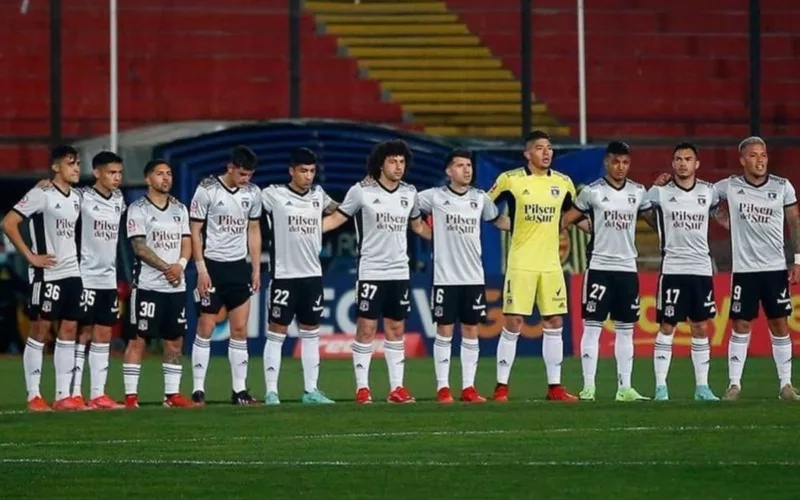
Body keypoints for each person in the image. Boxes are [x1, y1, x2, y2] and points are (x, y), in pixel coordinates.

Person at [322, 139, 432, 404]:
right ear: (381, 164)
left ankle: (397, 388)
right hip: (371, 270)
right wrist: (303, 231)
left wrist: (447, 237)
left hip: (399, 271)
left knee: (396, 328)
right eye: (393, 161)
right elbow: (338, 218)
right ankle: (362, 388)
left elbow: (418, 226)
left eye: (402, 161)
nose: (398, 166)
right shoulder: (361, 191)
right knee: (366, 329)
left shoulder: (410, 193)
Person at [487, 131, 578, 402]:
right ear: (527, 154)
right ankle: (501, 387)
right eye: (539, 148)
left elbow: (571, 214)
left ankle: (555, 387)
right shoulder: (511, 180)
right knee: (514, 321)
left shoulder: (564, 183)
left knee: (554, 321)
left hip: (551, 264)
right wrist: (503, 223)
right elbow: (483, 205)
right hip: (521, 263)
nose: (546, 153)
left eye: (549, 148)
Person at [416, 148, 510, 403]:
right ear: (448, 171)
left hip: (473, 278)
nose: (466, 170)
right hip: (445, 278)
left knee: (471, 330)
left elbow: (498, 221)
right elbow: (406, 207)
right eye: (460, 165)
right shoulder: (433, 197)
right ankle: (443, 388)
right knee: (444, 330)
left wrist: (529, 226)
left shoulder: (480, 199)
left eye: (469, 165)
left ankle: (468, 388)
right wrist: (426, 232)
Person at [562, 141, 651, 402]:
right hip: (599, 267)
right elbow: (568, 218)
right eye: (615, 162)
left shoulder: (638, 192)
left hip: (627, 268)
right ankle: (588, 387)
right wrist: (587, 226)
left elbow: (655, 221)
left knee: (626, 329)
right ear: (606, 162)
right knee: (593, 327)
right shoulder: (592, 192)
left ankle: (625, 388)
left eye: (625, 162)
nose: (620, 167)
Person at [714, 136, 800, 400]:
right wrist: (723, 219)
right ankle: (734, 385)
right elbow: (700, 197)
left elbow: (794, 222)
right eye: (753, 155)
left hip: (774, 269)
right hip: (744, 270)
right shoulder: (729, 185)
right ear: (742, 160)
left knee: (779, 324)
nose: (760, 160)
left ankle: (786, 386)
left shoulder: (782, 186)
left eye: (763, 154)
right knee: (741, 324)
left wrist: (797, 260)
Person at [1, 145, 85, 411]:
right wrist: (30, 257)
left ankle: (62, 395)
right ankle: (33, 395)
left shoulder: (77, 197)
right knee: (41, 329)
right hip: (47, 273)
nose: (76, 169)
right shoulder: (42, 194)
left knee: (69, 330)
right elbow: (8, 223)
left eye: (78, 164)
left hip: (73, 273)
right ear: (56, 167)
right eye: (71, 164)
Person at [644, 143, 721, 401]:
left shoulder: (709, 192)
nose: (683, 163)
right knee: (667, 325)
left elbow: (722, 216)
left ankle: (702, 387)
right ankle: (660, 387)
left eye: (688, 159)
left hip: (701, 269)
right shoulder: (659, 192)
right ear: (672, 163)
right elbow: (641, 209)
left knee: (700, 326)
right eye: (678, 159)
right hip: (673, 269)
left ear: (696, 164)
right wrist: (659, 226)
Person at [260, 148, 337, 405]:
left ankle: (311, 391)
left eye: (312, 171)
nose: (308, 176)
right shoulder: (274, 194)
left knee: (311, 331)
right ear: (291, 171)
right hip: (284, 275)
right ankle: (271, 392)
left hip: (312, 276)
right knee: (277, 331)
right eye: (303, 171)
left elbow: (338, 211)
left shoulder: (318, 195)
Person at [189, 146, 262, 406]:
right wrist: (201, 269)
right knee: (206, 326)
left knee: (240, 328)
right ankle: (198, 389)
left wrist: (255, 268)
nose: (246, 179)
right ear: (230, 168)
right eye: (242, 174)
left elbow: (253, 230)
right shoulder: (207, 189)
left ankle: (239, 391)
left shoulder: (253, 193)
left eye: (250, 174)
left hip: (238, 267)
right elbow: (195, 231)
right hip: (212, 265)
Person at [123, 159, 193, 408]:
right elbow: (139, 248)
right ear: (148, 179)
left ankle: (172, 395)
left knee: (175, 340)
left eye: (169, 174)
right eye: (160, 174)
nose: (166, 178)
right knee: (138, 339)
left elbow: (187, 242)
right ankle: (131, 397)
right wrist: (167, 268)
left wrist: (181, 266)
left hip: (175, 286)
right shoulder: (138, 209)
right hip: (147, 286)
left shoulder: (180, 209)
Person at [70, 152, 127, 409]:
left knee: (104, 332)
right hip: (84, 275)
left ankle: (97, 393)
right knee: (83, 332)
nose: (116, 178)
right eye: (111, 173)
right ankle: (73, 392)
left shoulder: (119, 200)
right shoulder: (81, 197)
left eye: (119, 173)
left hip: (108, 277)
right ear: (97, 173)